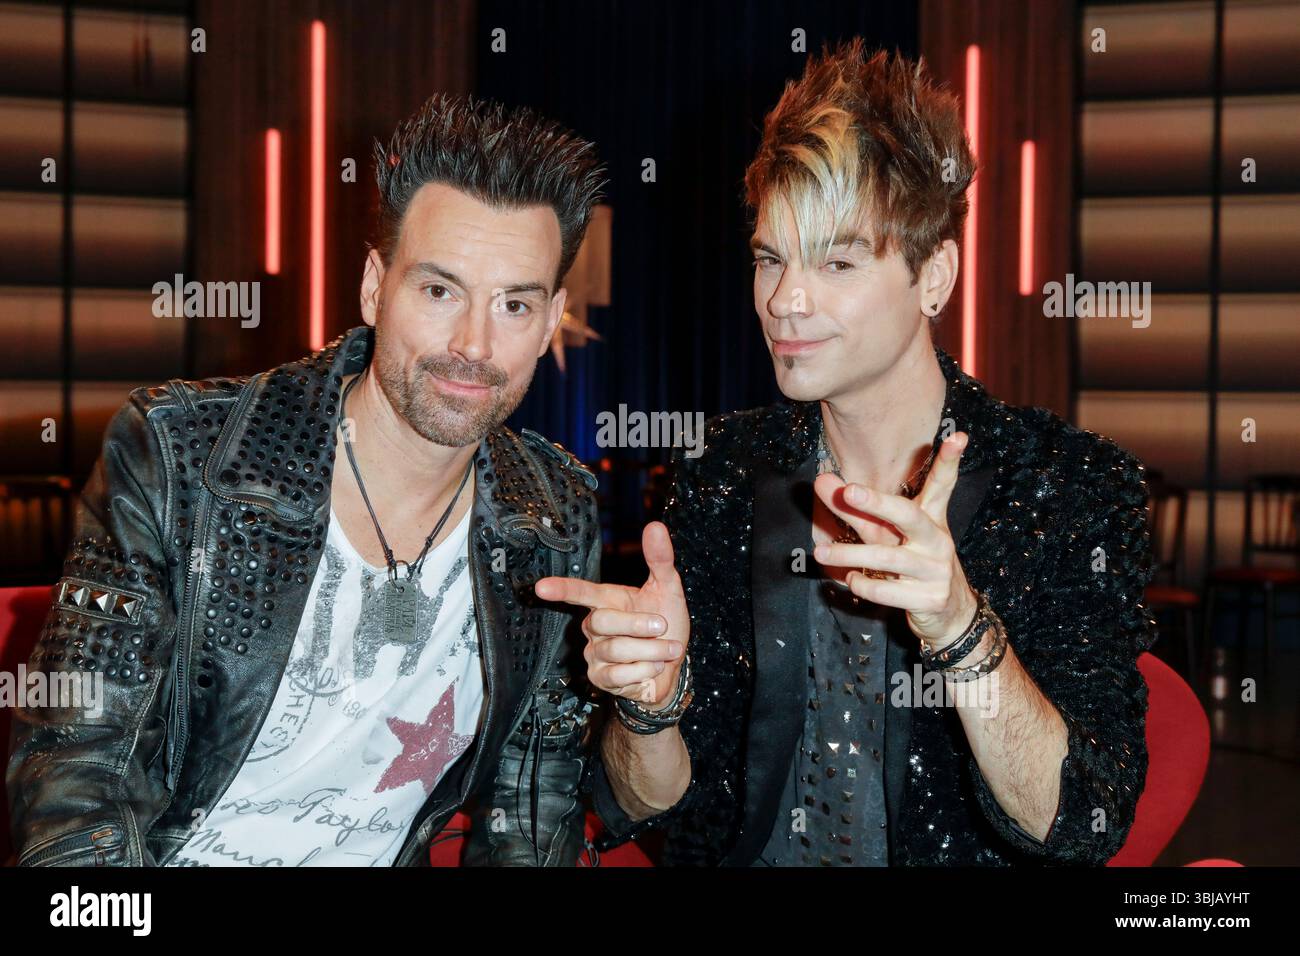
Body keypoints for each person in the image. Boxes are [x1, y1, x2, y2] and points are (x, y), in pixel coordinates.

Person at [538, 41, 1158, 866]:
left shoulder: (1067, 486)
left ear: (935, 275)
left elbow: (1079, 824)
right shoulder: (723, 471)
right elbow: (651, 806)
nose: (786, 300)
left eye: (836, 261)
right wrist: (649, 706)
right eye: (770, 259)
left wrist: (959, 627)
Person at [7, 93, 606, 867]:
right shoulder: (182, 458)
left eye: (515, 304)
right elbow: (74, 794)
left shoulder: (553, 517)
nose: (473, 343)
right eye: (438, 291)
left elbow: (531, 818)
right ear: (372, 288)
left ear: (552, 316)